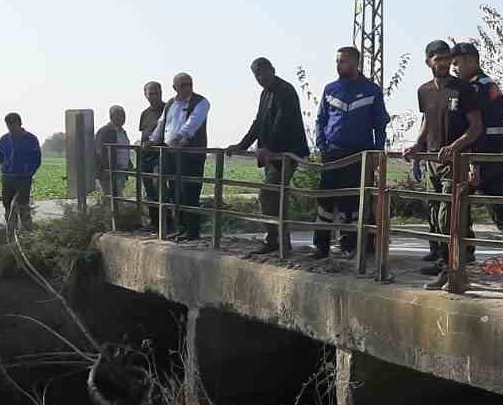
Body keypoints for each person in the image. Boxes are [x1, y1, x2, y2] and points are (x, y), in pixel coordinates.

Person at [449, 42, 503, 288]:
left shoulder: (476, 88)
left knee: (499, 215)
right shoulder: (486, 85)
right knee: (461, 210)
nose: (454, 67)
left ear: (472, 61)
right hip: (491, 156)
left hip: (485, 158)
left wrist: (474, 163)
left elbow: (477, 129)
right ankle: (457, 262)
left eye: (458, 62)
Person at [225, 57, 311, 255]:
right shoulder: (265, 94)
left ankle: (276, 240)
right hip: (271, 156)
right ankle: (278, 240)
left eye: (262, 72)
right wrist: (241, 144)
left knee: (269, 193)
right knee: (272, 196)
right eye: (256, 74)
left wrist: (269, 147)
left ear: (272, 69)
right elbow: (259, 122)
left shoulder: (285, 91)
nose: (260, 77)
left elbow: (283, 122)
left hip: (287, 153)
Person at [311, 46, 389, 260]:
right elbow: (321, 120)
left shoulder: (372, 90)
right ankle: (321, 246)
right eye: (337, 61)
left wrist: (376, 153)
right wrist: (322, 146)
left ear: (355, 63)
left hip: (359, 155)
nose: (339, 65)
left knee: (353, 204)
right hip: (333, 154)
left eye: (343, 61)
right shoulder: (330, 89)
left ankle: (352, 245)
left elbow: (380, 125)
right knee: (325, 202)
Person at [409, 40, 477, 274]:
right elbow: (427, 120)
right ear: (429, 62)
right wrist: (417, 145)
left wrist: (455, 146)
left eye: (447, 58)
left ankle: (453, 264)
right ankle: (441, 259)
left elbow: (476, 127)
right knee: (434, 209)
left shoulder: (464, 89)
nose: (444, 63)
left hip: (454, 161)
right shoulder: (424, 91)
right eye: (438, 59)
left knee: (448, 213)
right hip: (431, 159)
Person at [149, 73, 210, 241]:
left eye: (189, 84)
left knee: (190, 191)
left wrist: (179, 137)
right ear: (175, 87)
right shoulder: (170, 103)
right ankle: (181, 227)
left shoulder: (201, 102)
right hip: (171, 153)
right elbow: (162, 123)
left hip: (191, 153)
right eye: (182, 85)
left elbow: (193, 123)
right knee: (176, 191)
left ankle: (192, 231)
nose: (187, 88)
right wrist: (153, 140)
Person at [0, 112, 42, 233]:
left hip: (23, 178)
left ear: (19, 123)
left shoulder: (31, 139)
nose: (10, 128)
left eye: (13, 125)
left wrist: (29, 173)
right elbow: (1, 157)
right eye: (8, 125)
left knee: (23, 207)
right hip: (7, 178)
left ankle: (27, 233)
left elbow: (37, 159)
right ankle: (11, 232)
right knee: (7, 206)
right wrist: (4, 169)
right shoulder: (4, 140)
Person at [137, 82, 166, 227]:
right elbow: (144, 134)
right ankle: (155, 222)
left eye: (156, 93)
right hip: (146, 156)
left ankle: (166, 223)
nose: (154, 96)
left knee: (159, 186)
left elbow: (170, 133)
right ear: (145, 94)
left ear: (161, 92)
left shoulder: (168, 110)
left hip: (160, 154)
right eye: (151, 93)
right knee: (149, 189)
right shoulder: (145, 113)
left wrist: (155, 143)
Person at [93, 106, 131, 200]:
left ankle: (113, 214)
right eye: (119, 115)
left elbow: (125, 151)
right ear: (111, 116)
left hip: (121, 172)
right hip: (109, 173)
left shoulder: (123, 132)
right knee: (111, 199)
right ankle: (109, 214)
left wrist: (129, 164)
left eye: (123, 115)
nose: (122, 118)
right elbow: (99, 152)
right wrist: (107, 168)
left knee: (117, 198)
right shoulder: (104, 131)